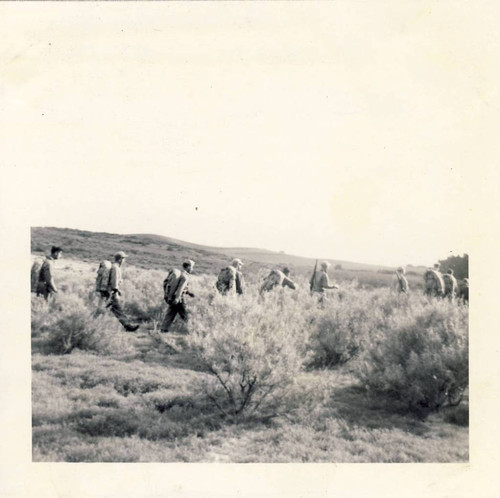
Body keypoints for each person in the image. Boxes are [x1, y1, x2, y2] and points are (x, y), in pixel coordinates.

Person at [106, 251, 139, 332]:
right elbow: (114, 281)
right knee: (118, 310)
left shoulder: (114, 267)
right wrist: (116, 291)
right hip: (112, 293)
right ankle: (128, 326)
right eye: (124, 259)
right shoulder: (116, 268)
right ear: (120, 259)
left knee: (110, 309)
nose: (124, 261)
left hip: (109, 292)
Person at [161, 260, 195, 333]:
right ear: (188, 267)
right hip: (179, 299)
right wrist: (177, 298)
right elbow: (180, 289)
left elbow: (179, 288)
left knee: (170, 314)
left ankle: (163, 330)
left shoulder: (180, 274)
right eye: (192, 267)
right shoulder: (185, 276)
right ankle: (192, 331)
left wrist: (189, 293)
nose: (192, 269)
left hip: (173, 297)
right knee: (185, 315)